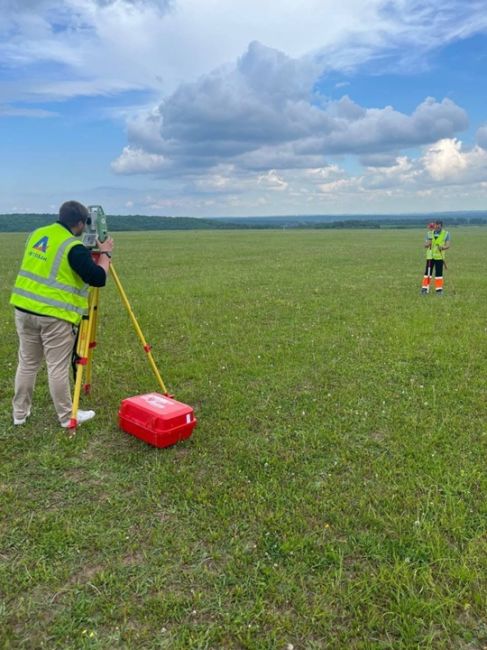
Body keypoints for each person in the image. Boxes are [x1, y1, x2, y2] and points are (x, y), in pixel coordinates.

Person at [10, 200, 114, 427]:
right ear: (79, 223)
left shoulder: (38, 234)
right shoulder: (72, 247)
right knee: (57, 366)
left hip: (23, 308)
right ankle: (67, 417)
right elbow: (97, 278)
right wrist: (105, 254)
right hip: (53, 315)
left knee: (27, 363)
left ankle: (19, 414)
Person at [420, 220, 450, 295]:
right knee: (427, 273)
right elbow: (425, 245)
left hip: (439, 257)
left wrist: (442, 247)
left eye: (439, 226)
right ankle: (424, 288)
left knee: (439, 273)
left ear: (441, 226)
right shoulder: (429, 234)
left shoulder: (446, 234)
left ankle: (439, 290)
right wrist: (427, 244)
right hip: (430, 256)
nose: (437, 227)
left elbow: (448, 246)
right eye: (436, 226)